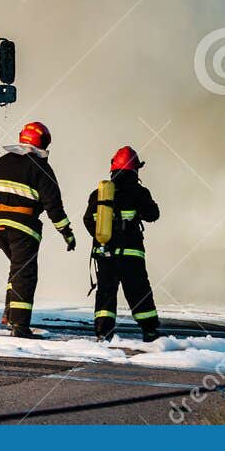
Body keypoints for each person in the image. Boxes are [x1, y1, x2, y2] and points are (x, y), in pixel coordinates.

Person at [0, 121, 75, 339]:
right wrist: (67, 233)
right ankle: (20, 327)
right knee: (25, 275)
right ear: (43, 143)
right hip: (23, 228)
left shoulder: (0, 163)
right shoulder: (42, 168)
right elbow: (54, 205)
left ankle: (9, 314)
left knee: (16, 270)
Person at [83, 145, 161, 343]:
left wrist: (101, 238)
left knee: (106, 292)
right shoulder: (139, 192)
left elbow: (87, 219)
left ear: (113, 168)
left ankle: (103, 333)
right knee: (138, 291)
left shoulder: (99, 193)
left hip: (105, 253)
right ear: (135, 169)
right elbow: (153, 215)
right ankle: (150, 331)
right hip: (131, 254)